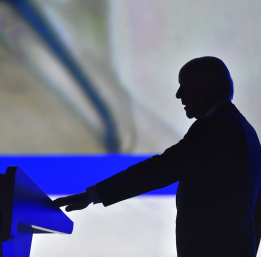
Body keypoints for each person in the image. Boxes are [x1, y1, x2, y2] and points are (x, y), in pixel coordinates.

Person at [54, 56, 261, 257]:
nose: (179, 95)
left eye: (185, 85)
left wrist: (92, 195)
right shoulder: (248, 133)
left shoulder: (214, 128)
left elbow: (158, 170)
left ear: (205, 86)